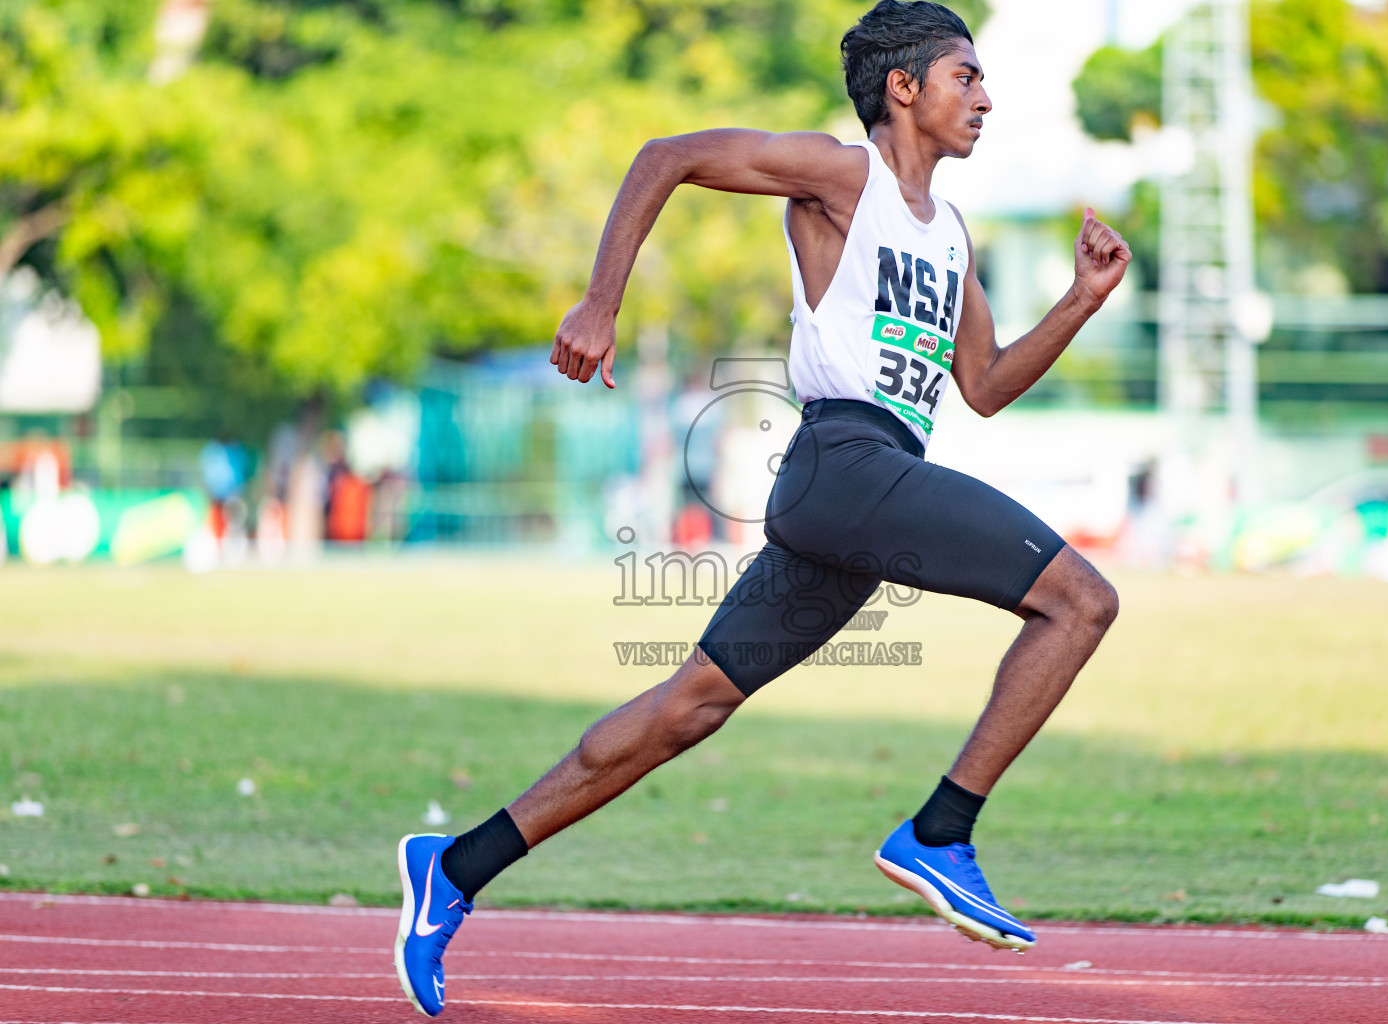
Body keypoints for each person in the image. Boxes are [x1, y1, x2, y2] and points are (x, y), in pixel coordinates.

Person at [394, 1, 1130, 1015]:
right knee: (1081, 601)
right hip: (844, 462)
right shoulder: (843, 176)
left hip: (868, 493)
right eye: (967, 77)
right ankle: (942, 830)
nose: (987, 98)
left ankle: (455, 866)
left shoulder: (952, 235)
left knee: (688, 706)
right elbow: (667, 156)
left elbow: (989, 383)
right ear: (904, 88)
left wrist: (1083, 299)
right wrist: (600, 301)